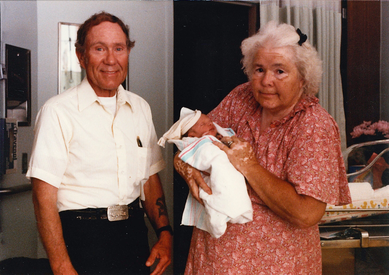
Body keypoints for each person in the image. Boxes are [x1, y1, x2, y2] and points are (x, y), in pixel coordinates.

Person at [174, 21, 352, 274]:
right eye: (259, 69)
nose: (266, 80)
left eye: (280, 71)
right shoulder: (241, 98)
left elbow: (306, 214)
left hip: (275, 266)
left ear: (303, 78)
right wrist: (183, 164)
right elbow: (193, 140)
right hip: (214, 260)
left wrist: (249, 166)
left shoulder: (314, 125)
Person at [27, 12, 172, 275]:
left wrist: (165, 233)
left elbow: (150, 180)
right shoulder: (58, 111)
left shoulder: (140, 108)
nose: (111, 60)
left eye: (119, 48)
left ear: (128, 52)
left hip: (133, 236)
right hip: (82, 238)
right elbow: (43, 197)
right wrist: (61, 266)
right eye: (99, 49)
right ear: (81, 56)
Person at [158, 107, 252, 238]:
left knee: (230, 184)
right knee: (213, 190)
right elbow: (198, 154)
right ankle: (219, 216)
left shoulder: (214, 138)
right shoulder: (200, 143)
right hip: (213, 174)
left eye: (210, 121)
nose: (210, 124)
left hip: (225, 173)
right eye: (203, 124)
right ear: (191, 136)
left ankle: (233, 210)